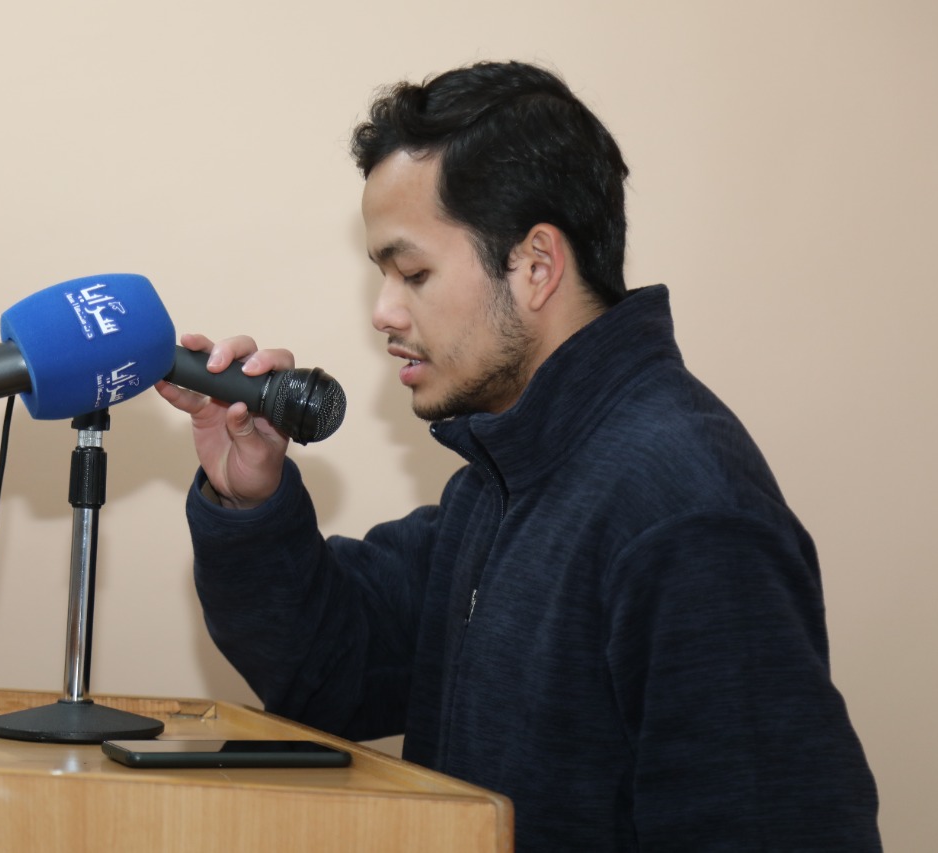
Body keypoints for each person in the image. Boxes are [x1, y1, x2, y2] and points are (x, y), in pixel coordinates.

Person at [156, 60, 881, 852]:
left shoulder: (685, 513)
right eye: (383, 276)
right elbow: (333, 670)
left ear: (537, 265)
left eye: (413, 272)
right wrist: (250, 499)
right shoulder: (504, 482)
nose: (384, 312)